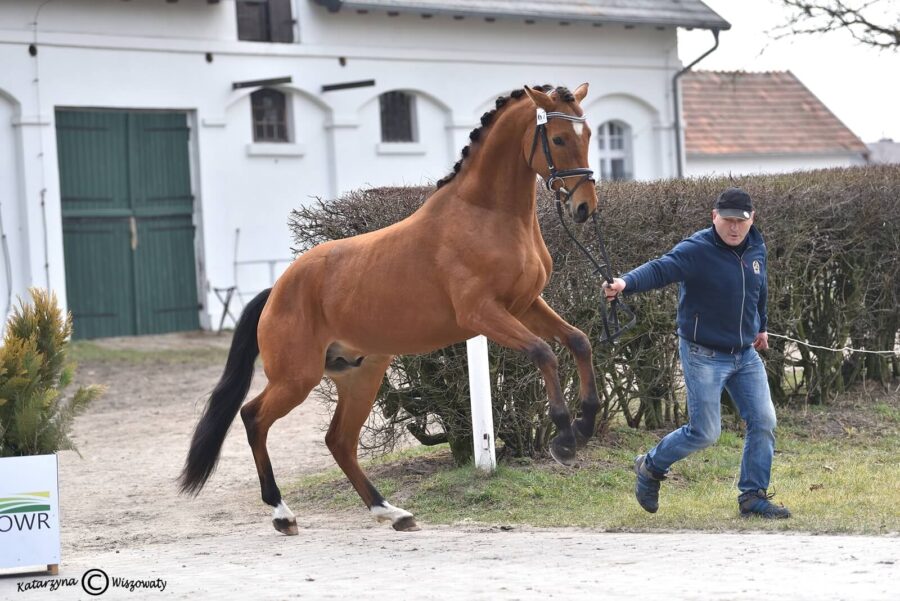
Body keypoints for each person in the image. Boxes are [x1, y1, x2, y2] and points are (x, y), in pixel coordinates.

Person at [603, 187, 790, 519]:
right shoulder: (697, 249)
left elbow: (759, 288)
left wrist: (760, 327)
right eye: (728, 220)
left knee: (764, 420)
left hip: (745, 354)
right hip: (703, 353)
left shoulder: (756, 246)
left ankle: (752, 497)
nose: (734, 228)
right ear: (714, 217)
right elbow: (662, 268)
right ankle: (650, 466)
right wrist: (625, 283)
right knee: (705, 432)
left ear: (752, 220)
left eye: (741, 221)